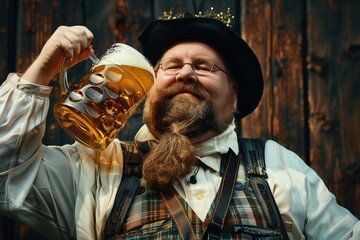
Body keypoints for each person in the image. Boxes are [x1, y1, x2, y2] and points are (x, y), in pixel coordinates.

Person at [0, 9, 359, 240]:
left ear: (234, 97)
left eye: (204, 67)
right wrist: (41, 72)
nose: (185, 72)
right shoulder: (96, 168)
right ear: (145, 85)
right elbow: (7, 173)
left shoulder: (279, 166)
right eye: (171, 66)